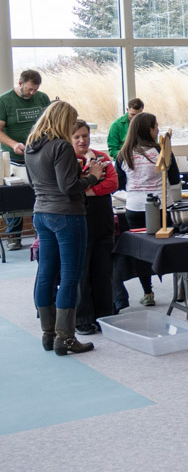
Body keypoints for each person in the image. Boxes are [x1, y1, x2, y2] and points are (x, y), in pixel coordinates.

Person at [28, 101, 104, 356]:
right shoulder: (61, 146)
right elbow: (69, 187)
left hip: (41, 213)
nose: (74, 125)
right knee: (71, 277)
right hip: (67, 216)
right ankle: (66, 338)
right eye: (72, 121)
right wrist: (93, 175)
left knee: (47, 274)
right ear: (63, 121)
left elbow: (36, 182)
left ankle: (48, 334)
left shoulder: (31, 145)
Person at [116, 111, 178, 306]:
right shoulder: (162, 150)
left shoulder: (123, 153)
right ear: (148, 129)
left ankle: (148, 292)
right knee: (168, 246)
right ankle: (179, 289)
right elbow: (175, 178)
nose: (157, 128)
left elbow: (119, 182)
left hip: (134, 207)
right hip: (160, 206)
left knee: (142, 251)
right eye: (155, 126)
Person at [71, 118, 119, 337]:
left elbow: (113, 183)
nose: (82, 141)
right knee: (82, 273)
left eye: (85, 136)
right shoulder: (68, 160)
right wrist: (93, 178)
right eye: (77, 137)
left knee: (103, 271)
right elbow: (72, 188)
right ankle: (83, 318)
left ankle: (104, 314)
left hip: (103, 222)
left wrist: (88, 189)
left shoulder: (102, 157)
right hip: (80, 223)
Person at [1, 68, 50, 248]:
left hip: (39, 154)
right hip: (15, 155)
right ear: (20, 83)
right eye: (29, 89)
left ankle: (40, 233)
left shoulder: (42, 98)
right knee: (15, 196)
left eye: (35, 89)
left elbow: (48, 122)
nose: (32, 93)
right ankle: (14, 236)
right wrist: (14, 144)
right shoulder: (4, 101)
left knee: (39, 193)